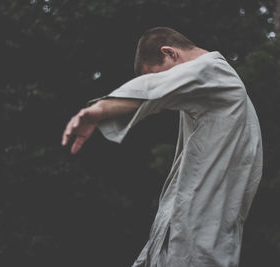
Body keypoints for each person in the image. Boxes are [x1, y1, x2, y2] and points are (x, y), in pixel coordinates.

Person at [62, 27, 263, 267]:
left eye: (159, 74)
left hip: (198, 236)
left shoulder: (211, 70)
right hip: (188, 230)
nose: (164, 84)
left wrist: (98, 110)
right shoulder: (212, 87)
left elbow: (152, 90)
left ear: (170, 53)